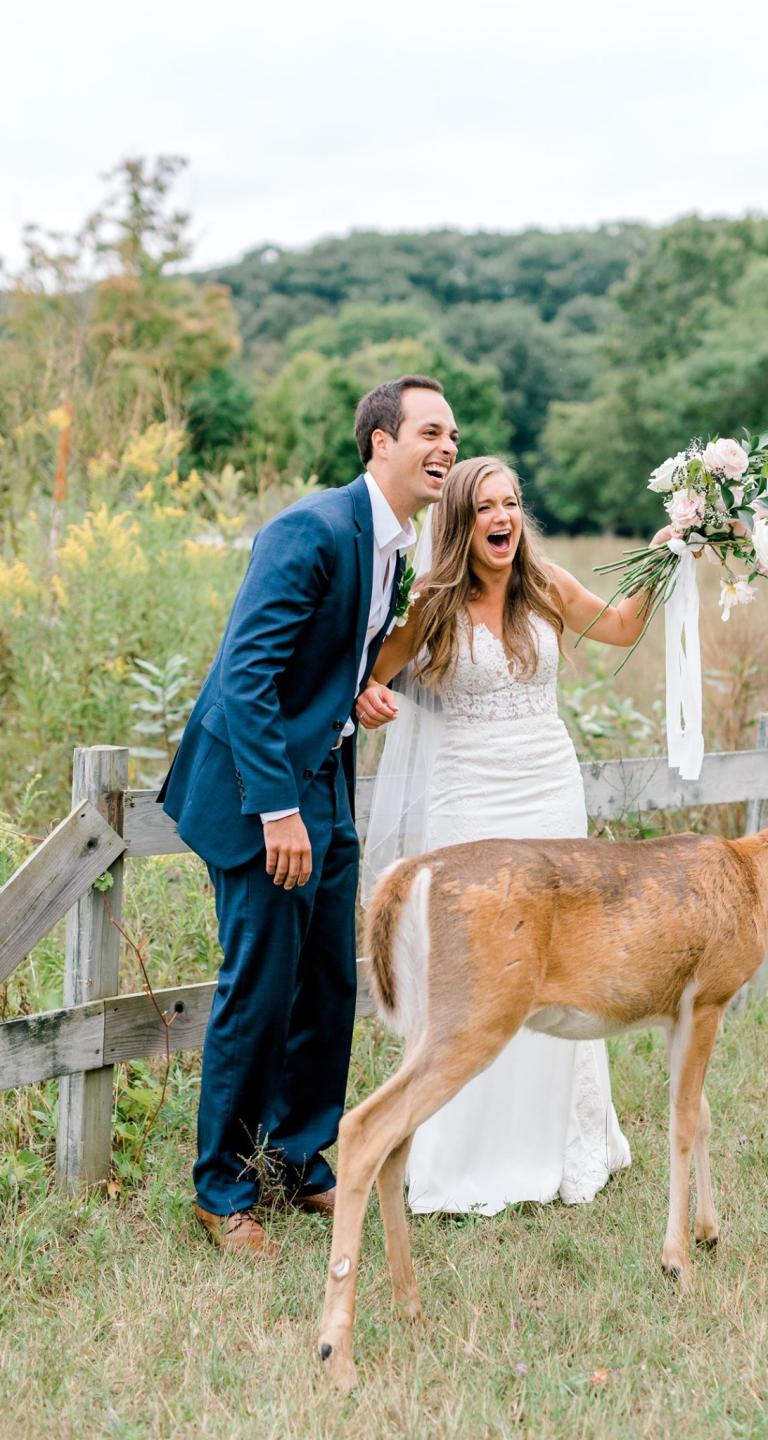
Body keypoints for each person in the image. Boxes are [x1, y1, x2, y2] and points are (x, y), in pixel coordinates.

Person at [158, 375, 460, 1253]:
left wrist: (354, 695)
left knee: (329, 982)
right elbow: (247, 675)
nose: (447, 448)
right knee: (257, 986)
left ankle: (298, 1161)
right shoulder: (313, 528)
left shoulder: (393, 544)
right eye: (430, 433)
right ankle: (220, 1190)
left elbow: (325, 660)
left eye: (453, 436)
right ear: (380, 442)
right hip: (260, 795)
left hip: (325, 782)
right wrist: (277, 810)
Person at [357, 456, 668, 1215]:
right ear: (461, 521)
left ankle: (563, 1141)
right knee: (479, 964)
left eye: (513, 504)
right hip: (470, 799)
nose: (504, 518)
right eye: (487, 507)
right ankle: (462, 1154)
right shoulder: (429, 603)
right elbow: (371, 670)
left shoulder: (547, 584)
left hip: (550, 797)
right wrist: (366, 695)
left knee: (562, 956)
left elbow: (621, 626)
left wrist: (667, 554)